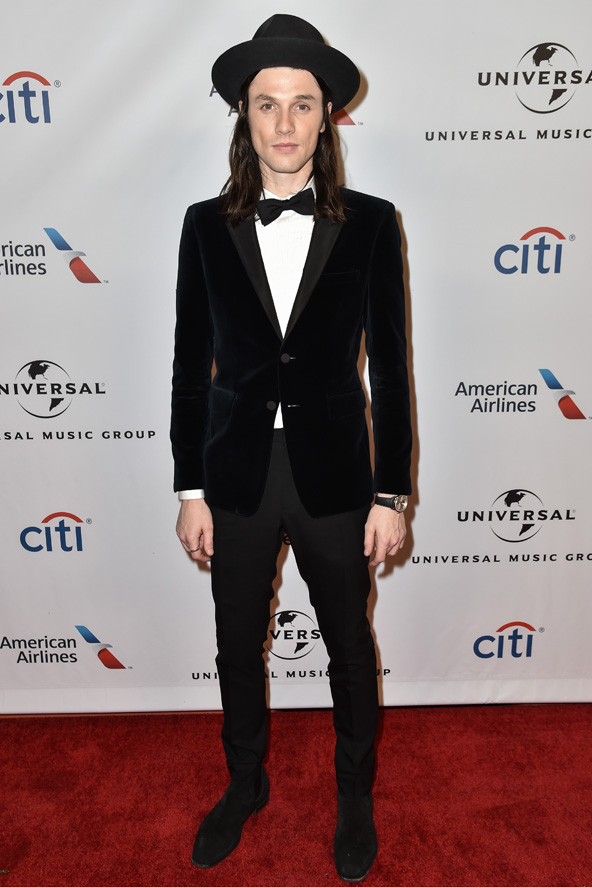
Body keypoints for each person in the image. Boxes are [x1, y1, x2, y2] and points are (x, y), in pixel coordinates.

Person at [171, 14, 412, 883]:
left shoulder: (373, 222)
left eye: (301, 104)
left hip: (335, 471)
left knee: (348, 640)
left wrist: (392, 495)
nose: (283, 122)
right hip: (235, 470)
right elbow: (189, 365)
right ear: (245, 115)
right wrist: (189, 488)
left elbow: (391, 366)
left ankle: (354, 795)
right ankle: (245, 783)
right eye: (266, 103)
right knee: (237, 641)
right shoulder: (205, 225)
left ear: (327, 117)